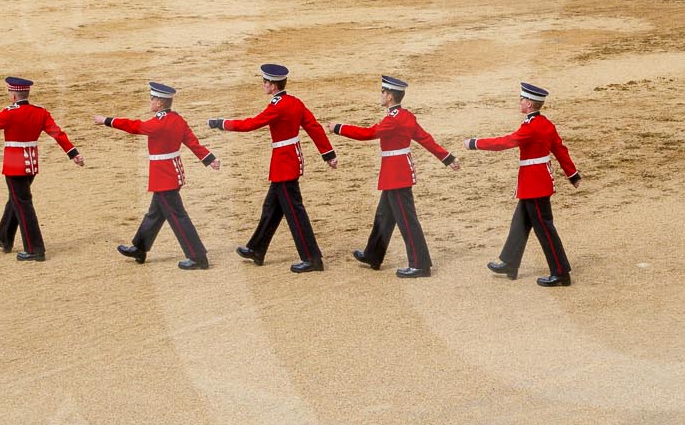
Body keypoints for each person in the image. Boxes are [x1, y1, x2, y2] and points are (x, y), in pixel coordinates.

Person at [209, 63, 337, 271]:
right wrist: (328, 154)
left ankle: (312, 258)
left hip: (284, 164)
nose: (263, 85)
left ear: (273, 85)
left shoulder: (277, 106)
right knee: (271, 209)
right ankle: (256, 249)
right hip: (288, 161)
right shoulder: (295, 102)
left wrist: (222, 123)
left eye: (265, 82)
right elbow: (313, 127)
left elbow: (250, 124)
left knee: (295, 213)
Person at [331, 74, 457, 278]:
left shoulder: (393, 120)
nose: (380, 95)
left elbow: (367, 134)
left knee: (407, 221)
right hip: (395, 173)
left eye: (383, 92)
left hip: (396, 175)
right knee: (384, 216)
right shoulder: (406, 116)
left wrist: (339, 128)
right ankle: (373, 255)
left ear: (390, 96)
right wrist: (446, 157)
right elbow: (425, 139)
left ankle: (420, 265)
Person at [0, 76, 83, 262]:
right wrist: (72, 152)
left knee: (23, 204)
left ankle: (35, 249)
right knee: (17, 198)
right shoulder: (40, 112)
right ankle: (4, 237)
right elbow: (57, 133)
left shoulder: (10, 113)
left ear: (13, 95)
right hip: (31, 163)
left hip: (14, 165)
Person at [466, 82, 580, 287]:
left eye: (522, 99)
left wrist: (475, 143)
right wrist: (572, 174)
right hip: (535, 183)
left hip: (534, 184)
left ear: (529, 103)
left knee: (545, 229)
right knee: (520, 222)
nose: (520, 102)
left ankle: (561, 272)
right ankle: (510, 263)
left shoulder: (531, 127)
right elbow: (560, 149)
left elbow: (504, 142)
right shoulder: (545, 124)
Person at [96, 82, 217, 270]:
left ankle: (198, 257)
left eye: (152, 98)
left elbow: (134, 126)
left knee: (177, 217)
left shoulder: (158, 124)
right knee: (155, 214)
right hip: (172, 173)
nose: (150, 101)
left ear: (160, 103)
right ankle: (139, 248)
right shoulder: (178, 120)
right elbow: (192, 142)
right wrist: (209, 159)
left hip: (163, 177)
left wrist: (107, 120)